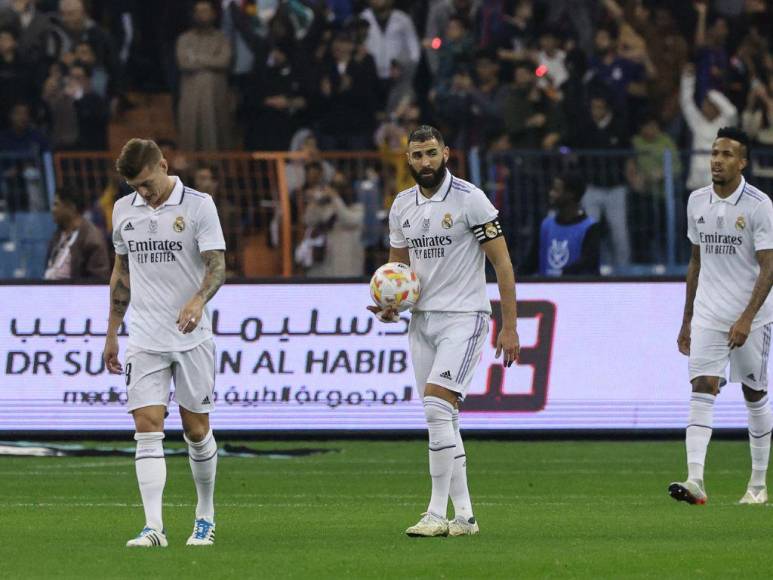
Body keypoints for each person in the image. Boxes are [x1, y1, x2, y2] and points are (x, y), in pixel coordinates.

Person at [368, 125, 520, 537]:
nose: (425, 163)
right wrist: (389, 306)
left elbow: (502, 264)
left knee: (437, 407)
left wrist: (509, 325)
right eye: (417, 156)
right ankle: (466, 516)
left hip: (465, 317)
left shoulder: (471, 199)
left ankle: (435, 513)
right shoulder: (402, 205)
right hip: (423, 322)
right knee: (443, 418)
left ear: (446, 153)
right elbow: (397, 270)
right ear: (409, 159)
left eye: (431, 153)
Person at [103, 138, 226, 547]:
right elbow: (121, 273)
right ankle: (153, 527)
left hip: (192, 337)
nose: (143, 192)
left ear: (163, 165)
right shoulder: (123, 211)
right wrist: (112, 331)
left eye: (146, 182)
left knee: (196, 430)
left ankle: (204, 516)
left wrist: (197, 298)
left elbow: (217, 267)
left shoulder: (199, 205)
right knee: (146, 426)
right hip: (144, 337)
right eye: (134, 185)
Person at [671, 127, 773, 506]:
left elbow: (768, 267)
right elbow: (695, 262)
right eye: (715, 152)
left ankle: (758, 485)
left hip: (754, 318)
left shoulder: (759, 205)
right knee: (702, 386)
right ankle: (695, 479)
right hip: (709, 316)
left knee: (755, 393)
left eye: (728, 154)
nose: (717, 159)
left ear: (742, 162)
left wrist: (747, 317)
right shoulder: (696, 201)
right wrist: (686, 320)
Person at [176, 0, 233, 151]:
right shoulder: (184, 39)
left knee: (215, 131)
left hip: (216, 96)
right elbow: (184, 62)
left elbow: (224, 61)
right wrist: (210, 61)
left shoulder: (221, 38)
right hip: (191, 96)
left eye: (206, 11)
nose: (202, 15)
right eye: (199, 11)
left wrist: (197, 58)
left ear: (213, 14)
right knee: (190, 133)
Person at [522, 172, 600, 277]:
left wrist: (562, 276)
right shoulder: (546, 225)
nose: (551, 193)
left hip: (577, 290)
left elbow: (588, 264)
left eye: (556, 190)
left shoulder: (589, 227)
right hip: (547, 290)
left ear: (571, 194)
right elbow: (532, 261)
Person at [44, 185, 109, 281]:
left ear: (71, 207)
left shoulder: (92, 238)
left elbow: (98, 280)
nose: (53, 210)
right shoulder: (58, 234)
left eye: (56, 204)